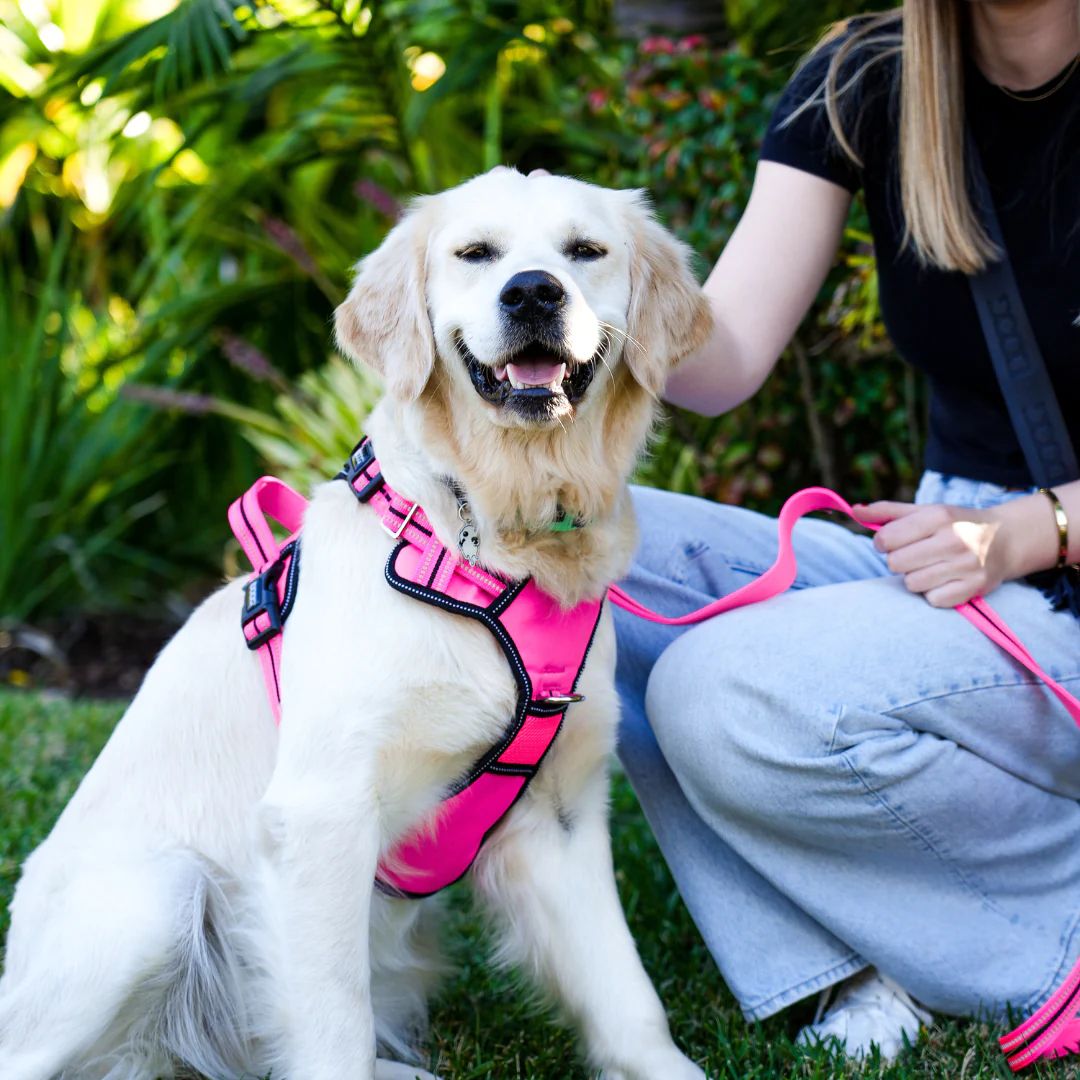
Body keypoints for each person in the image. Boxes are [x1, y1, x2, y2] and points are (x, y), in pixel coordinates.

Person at [614, 0, 1080, 1062]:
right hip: (953, 545)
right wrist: (564, 283)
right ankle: (861, 957)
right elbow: (721, 358)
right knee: (578, 555)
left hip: (1039, 557)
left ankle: (1041, 935)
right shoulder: (869, 75)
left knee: (719, 688)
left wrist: (1026, 532)